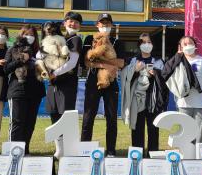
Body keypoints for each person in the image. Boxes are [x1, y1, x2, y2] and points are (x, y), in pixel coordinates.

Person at [81, 13, 125, 157]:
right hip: (93, 81)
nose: (105, 26)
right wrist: (105, 63)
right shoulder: (89, 39)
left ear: (111, 26)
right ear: (97, 25)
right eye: (102, 23)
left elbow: (121, 63)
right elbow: (86, 62)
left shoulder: (117, 41)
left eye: (108, 24)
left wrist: (98, 60)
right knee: (88, 117)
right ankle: (85, 149)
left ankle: (111, 150)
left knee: (111, 118)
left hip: (111, 82)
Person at [161, 36, 202, 144]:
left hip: (201, 102)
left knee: (200, 132)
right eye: (185, 44)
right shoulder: (177, 61)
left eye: (190, 43)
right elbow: (166, 72)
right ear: (180, 47)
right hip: (184, 102)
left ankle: (197, 156)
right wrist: (178, 56)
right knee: (185, 131)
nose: (188, 46)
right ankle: (186, 157)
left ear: (195, 45)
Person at [121, 33, 168, 156]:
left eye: (149, 42)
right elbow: (126, 78)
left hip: (152, 100)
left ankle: (153, 155)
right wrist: (135, 71)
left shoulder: (158, 61)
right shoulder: (133, 60)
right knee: (137, 128)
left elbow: (164, 79)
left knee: (153, 129)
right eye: (143, 42)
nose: (147, 45)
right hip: (137, 99)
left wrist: (155, 73)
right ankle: (137, 155)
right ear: (139, 45)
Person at [45, 12, 83, 158]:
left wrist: (55, 73)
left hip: (67, 83)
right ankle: (59, 149)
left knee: (65, 116)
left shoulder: (76, 40)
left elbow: (72, 63)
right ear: (64, 23)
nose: (72, 24)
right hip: (52, 84)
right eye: (70, 21)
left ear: (79, 26)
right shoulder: (57, 39)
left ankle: (69, 148)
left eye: (76, 22)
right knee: (53, 114)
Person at [3, 25, 45, 155]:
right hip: (17, 91)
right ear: (21, 35)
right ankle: (14, 152)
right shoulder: (12, 50)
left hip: (35, 91)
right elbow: (6, 69)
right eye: (26, 34)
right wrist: (21, 59)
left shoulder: (40, 51)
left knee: (30, 123)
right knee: (17, 122)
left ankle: (25, 150)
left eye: (32, 34)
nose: (29, 37)